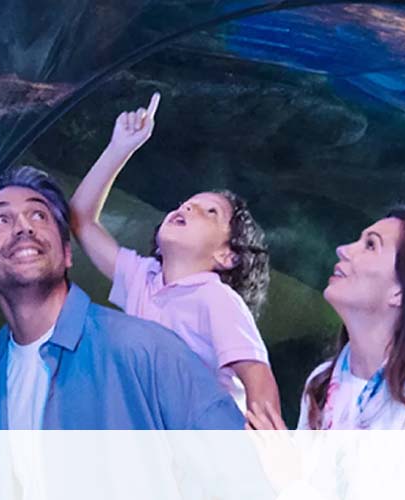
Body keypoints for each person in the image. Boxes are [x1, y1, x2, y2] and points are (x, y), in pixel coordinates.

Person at [0, 165, 245, 430]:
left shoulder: (146, 349)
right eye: (1, 220)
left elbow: (234, 469)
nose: (24, 227)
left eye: (38, 215)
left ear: (68, 252)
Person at [69, 93, 282, 425]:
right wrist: (119, 148)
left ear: (227, 255)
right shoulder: (143, 278)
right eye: (185, 204)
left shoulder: (216, 298)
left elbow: (255, 372)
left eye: (209, 212)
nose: (187, 208)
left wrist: (266, 446)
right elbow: (80, 220)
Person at [248, 207, 405, 430]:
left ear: (401, 291)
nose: (343, 250)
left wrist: (286, 474)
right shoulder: (321, 383)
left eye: (370, 245)